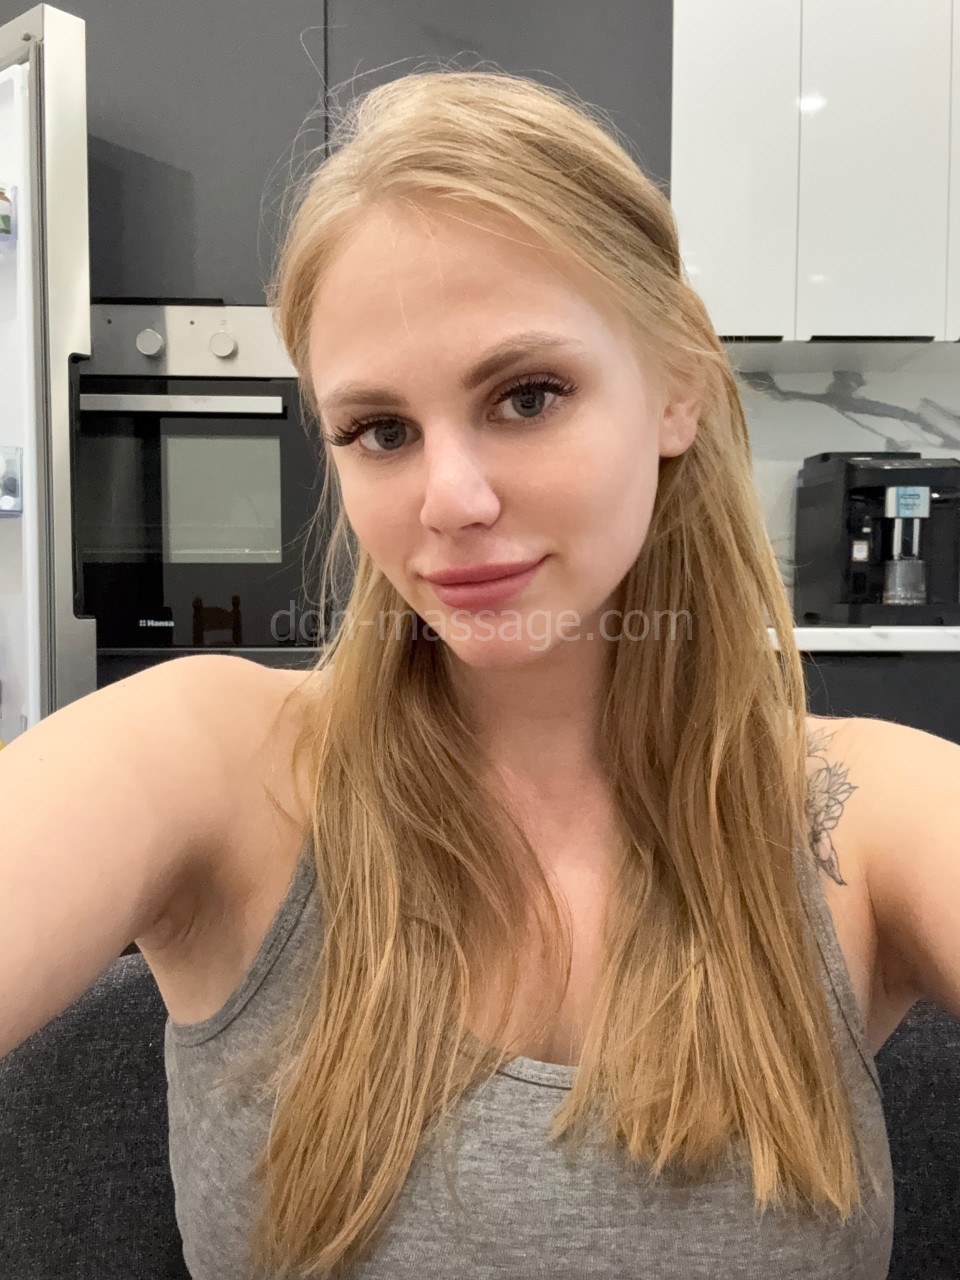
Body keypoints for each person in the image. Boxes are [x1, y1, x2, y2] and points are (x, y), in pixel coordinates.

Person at [2, 68, 959, 1280]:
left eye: (527, 395)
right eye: (381, 430)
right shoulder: (214, 759)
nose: (449, 499)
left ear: (677, 385)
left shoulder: (865, 818)